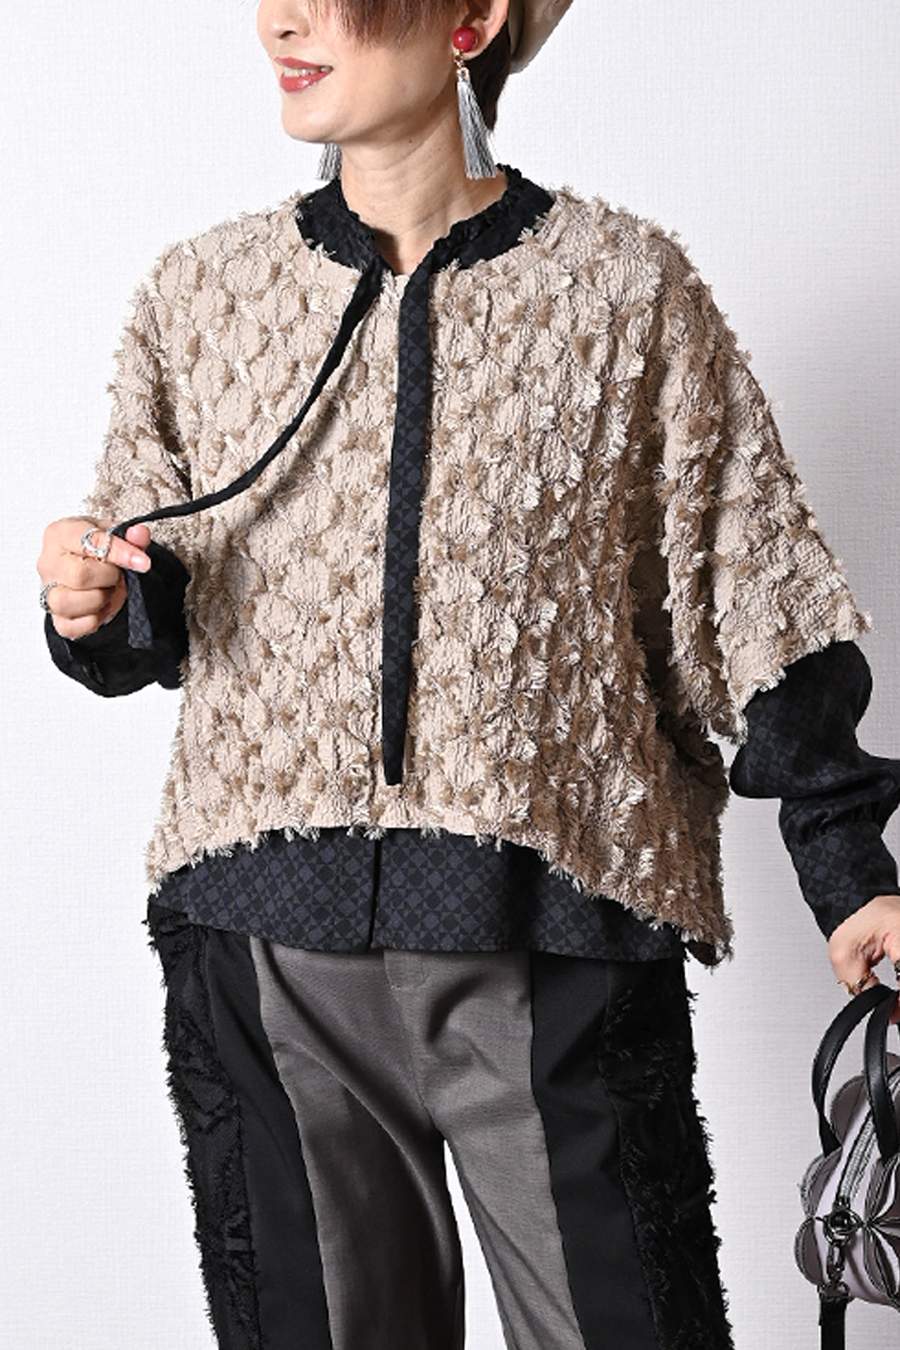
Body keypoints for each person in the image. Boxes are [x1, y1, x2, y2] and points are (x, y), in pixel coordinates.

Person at [36, 2, 900, 1346]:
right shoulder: (199, 299)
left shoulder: (627, 295)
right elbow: (150, 607)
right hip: (269, 948)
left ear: (473, 16)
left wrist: (849, 872)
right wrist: (89, 599)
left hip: (547, 937)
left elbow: (759, 593)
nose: (280, 20)